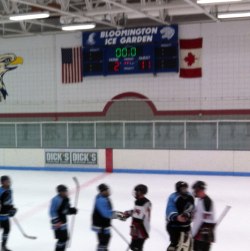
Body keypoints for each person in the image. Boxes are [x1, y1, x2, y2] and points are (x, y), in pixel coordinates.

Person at [92, 183, 124, 251]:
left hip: (103, 224)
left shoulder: (103, 197)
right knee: (103, 241)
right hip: (101, 225)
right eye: (105, 190)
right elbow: (106, 213)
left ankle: (103, 249)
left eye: (107, 190)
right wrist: (119, 215)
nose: (108, 192)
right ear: (101, 191)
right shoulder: (101, 200)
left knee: (105, 240)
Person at [166, 181, 194, 251]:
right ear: (178, 189)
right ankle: (173, 245)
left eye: (185, 188)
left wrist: (189, 215)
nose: (184, 190)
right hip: (174, 227)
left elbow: (192, 208)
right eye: (182, 189)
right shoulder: (173, 197)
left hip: (186, 227)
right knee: (174, 245)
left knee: (188, 246)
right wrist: (176, 217)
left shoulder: (190, 197)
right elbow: (170, 209)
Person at [123, 184, 152, 251]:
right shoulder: (139, 201)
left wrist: (134, 232)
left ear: (140, 192)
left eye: (136, 191)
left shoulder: (145, 202)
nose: (135, 193)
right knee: (134, 247)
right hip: (137, 228)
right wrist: (129, 213)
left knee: (137, 248)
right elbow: (137, 211)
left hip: (142, 229)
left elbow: (139, 217)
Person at [49, 185, 77, 251]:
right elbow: (52, 211)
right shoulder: (56, 199)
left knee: (64, 239)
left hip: (63, 222)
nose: (66, 192)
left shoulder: (66, 199)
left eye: (66, 191)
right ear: (60, 192)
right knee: (62, 239)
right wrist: (56, 221)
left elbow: (65, 210)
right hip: (58, 223)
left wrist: (72, 210)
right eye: (64, 191)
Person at [192, 181, 215, 251]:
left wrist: (205, 234)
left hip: (203, 235)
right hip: (198, 233)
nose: (194, 192)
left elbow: (208, 219)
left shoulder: (207, 201)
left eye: (195, 190)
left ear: (199, 190)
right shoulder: (200, 200)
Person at [0, 175, 17, 251]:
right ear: (2, 183)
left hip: (5, 215)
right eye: (7, 181)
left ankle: (3, 246)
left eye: (9, 181)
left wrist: (12, 209)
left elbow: (9, 202)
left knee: (7, 230)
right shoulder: (0, 191)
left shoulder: (10, 190)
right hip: (0, 215)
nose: (9, 182)